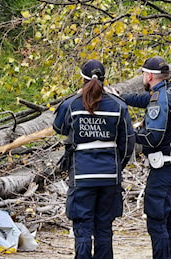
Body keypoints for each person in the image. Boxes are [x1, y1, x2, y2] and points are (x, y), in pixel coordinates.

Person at [53, 59, 135, 259]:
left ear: (82, 78)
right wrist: (117, 166)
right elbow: (128, 142)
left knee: (82, 227)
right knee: (104, 227)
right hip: (109, 176)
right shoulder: (118, 105)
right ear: (105, 80)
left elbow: (59, 128)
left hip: (82, 175)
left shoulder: (71, 104)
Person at [120, 56, 171, 259]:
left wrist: (128, 134)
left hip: (164, 170)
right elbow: (147, 100)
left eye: (143, 74)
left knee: (157, 222)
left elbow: (152, 138)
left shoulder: (160, 100)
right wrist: (120, 97)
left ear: (149, 75)